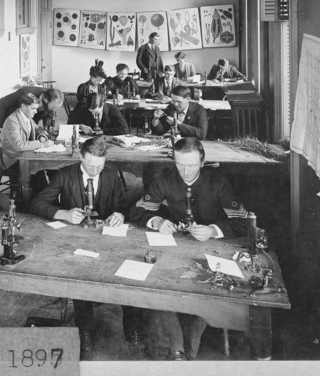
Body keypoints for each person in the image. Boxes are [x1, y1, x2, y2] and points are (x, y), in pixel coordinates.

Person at [130, 138, 249, 360]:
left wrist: (214, 230)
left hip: (212, 250)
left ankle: (186, 351)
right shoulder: (165, 178)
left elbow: (244, 222)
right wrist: (156, 221)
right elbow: (137, 212)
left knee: (209, 288)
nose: (185, 171)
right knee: (157, 285)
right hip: (174, 248)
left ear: (203, 162)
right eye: (180, 164)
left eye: (192, 165)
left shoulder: (218, 182)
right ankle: (177, 352)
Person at [31, 136, 142, 359]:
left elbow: (122, 206)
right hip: (75, 238)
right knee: (79, 277)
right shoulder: (64, 174)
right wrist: (62, 213)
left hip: (107, 237)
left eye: (99, 165)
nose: (94, 170)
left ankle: (132, 328)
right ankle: (85, 332)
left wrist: (119, 214)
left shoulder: (110, 175)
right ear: (80, 156)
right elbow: (37, 203)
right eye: (90, 164)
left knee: (128, 273)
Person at [0, 92, 53, 174]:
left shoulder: (27, 117)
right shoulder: (12, 121)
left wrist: (42, 136)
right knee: (40, 169)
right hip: (13, 160)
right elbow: (19, 146)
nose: (36, 112)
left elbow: (39, 129)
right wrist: (42, 144)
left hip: (24, 155)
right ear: (23, 106)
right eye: (33, 108)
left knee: (48, 166)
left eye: (36, 108)